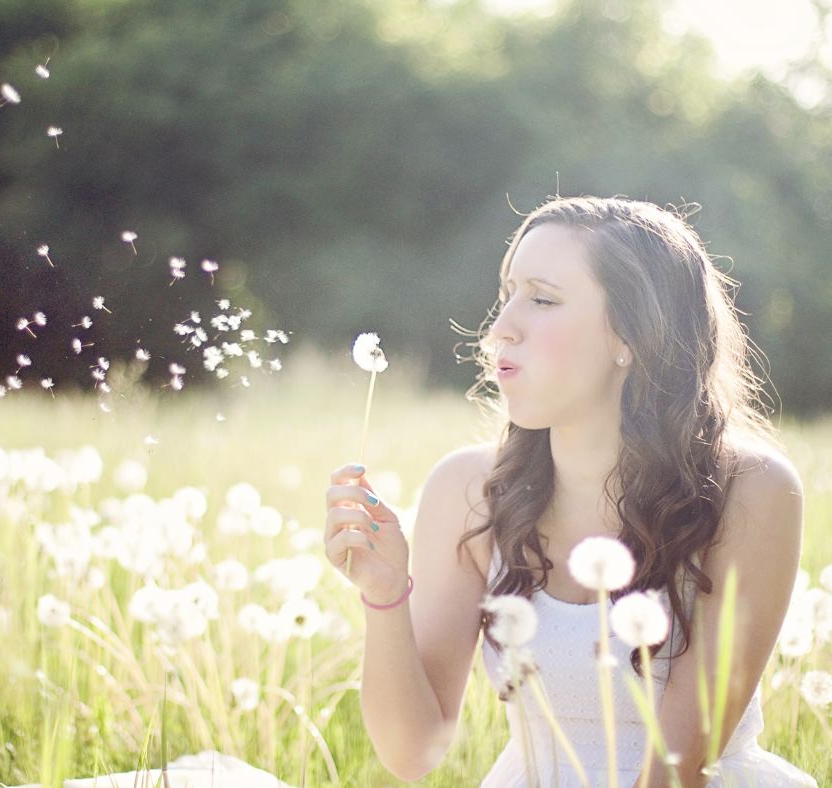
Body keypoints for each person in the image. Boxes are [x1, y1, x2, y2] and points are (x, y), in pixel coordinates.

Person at [323, 196, 819, 787]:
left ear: (632, 334)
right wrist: (383, 596)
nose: (501, 327)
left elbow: (678, 770)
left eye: (542, 298)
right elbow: (413, 754)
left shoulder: (749, 490)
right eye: (507, 294)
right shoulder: (466, 491)